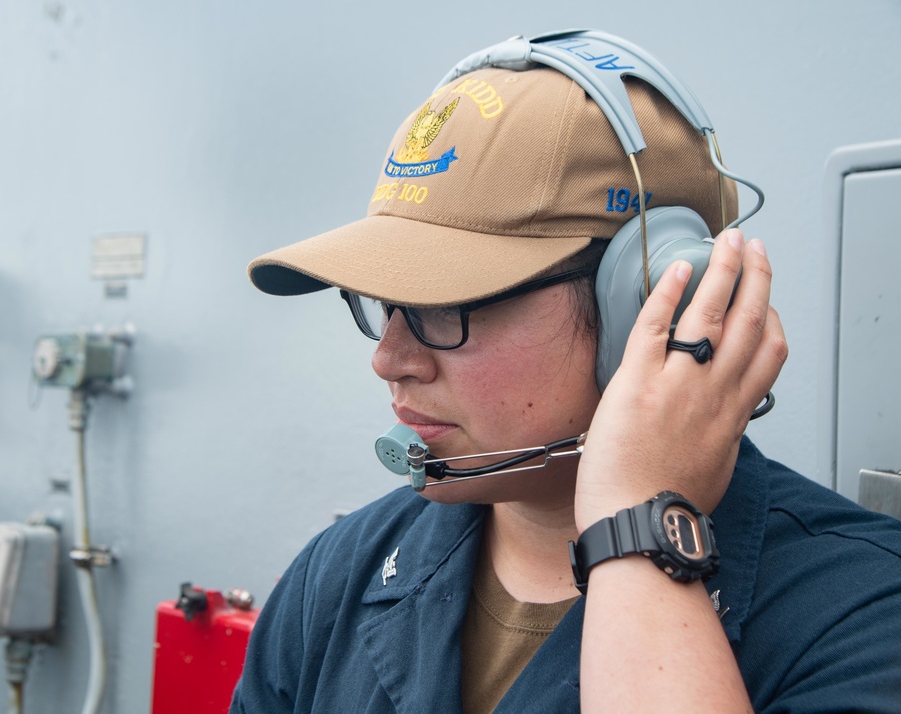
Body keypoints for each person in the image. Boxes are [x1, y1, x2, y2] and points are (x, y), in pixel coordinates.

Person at [231, 30, 901, 713]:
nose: (389, 358)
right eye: (382, 303)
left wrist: (640, 527)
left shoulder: (864, 613)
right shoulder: (337, 575)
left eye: (446, 305)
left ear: (653, 304)